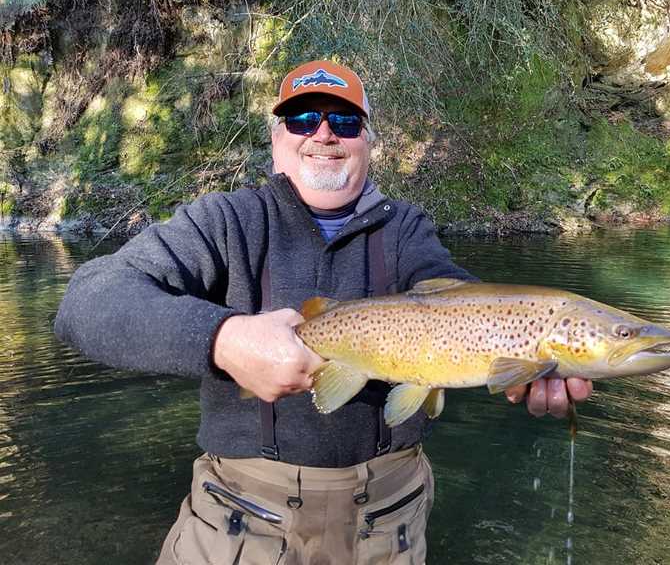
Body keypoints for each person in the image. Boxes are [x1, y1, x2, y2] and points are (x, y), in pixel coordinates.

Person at [54, 59, 593, 564]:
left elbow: (460, 295)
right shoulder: (224, 221)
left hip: (389, 522)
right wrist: (223, 338)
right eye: (302, 119)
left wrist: (524, 361)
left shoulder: (406, 230)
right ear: (276, 139)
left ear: (368, 141)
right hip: (240, 519)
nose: (323, 134)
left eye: (344, 122)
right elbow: (88, 300)